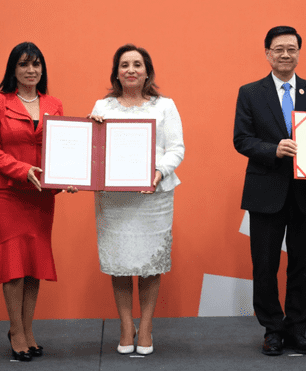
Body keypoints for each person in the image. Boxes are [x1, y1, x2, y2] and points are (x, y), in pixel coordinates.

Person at [233, 26, 306, 356]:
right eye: (278, 49)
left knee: (302, 265)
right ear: (267, 53)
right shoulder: (250, 92)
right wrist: (273, 149)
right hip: (266, 192)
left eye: (291, 49)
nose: (285, 55)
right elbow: (242, 139)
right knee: (264, 266)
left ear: (298, 53)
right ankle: (272, 329)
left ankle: (297, 329)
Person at [87, 44, 184, 356]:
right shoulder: (102, 107)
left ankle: (146, 326)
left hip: (152, 196)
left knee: (149, 263)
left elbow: (176, 149)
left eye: (137, 65)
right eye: (125, 64)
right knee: (120, 262)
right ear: (116, 72)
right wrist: (92, 134)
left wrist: (158, 171)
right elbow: (93, 150)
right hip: (114, 200)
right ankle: (126, 325)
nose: (131, 70)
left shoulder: (165, 106)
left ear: (147, 72)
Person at [0, 42, 72, 362]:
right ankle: (15, 331)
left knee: (33, 264)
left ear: (42, 70)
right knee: (14, 264)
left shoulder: (54, 104)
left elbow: (62, 150)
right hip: (7, 192)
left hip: (41, 197)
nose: (31, 70)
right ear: (13, 70)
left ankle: (28, 330)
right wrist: (23, 170)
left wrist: (70, 176)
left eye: (36, 65)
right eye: (24, 65)